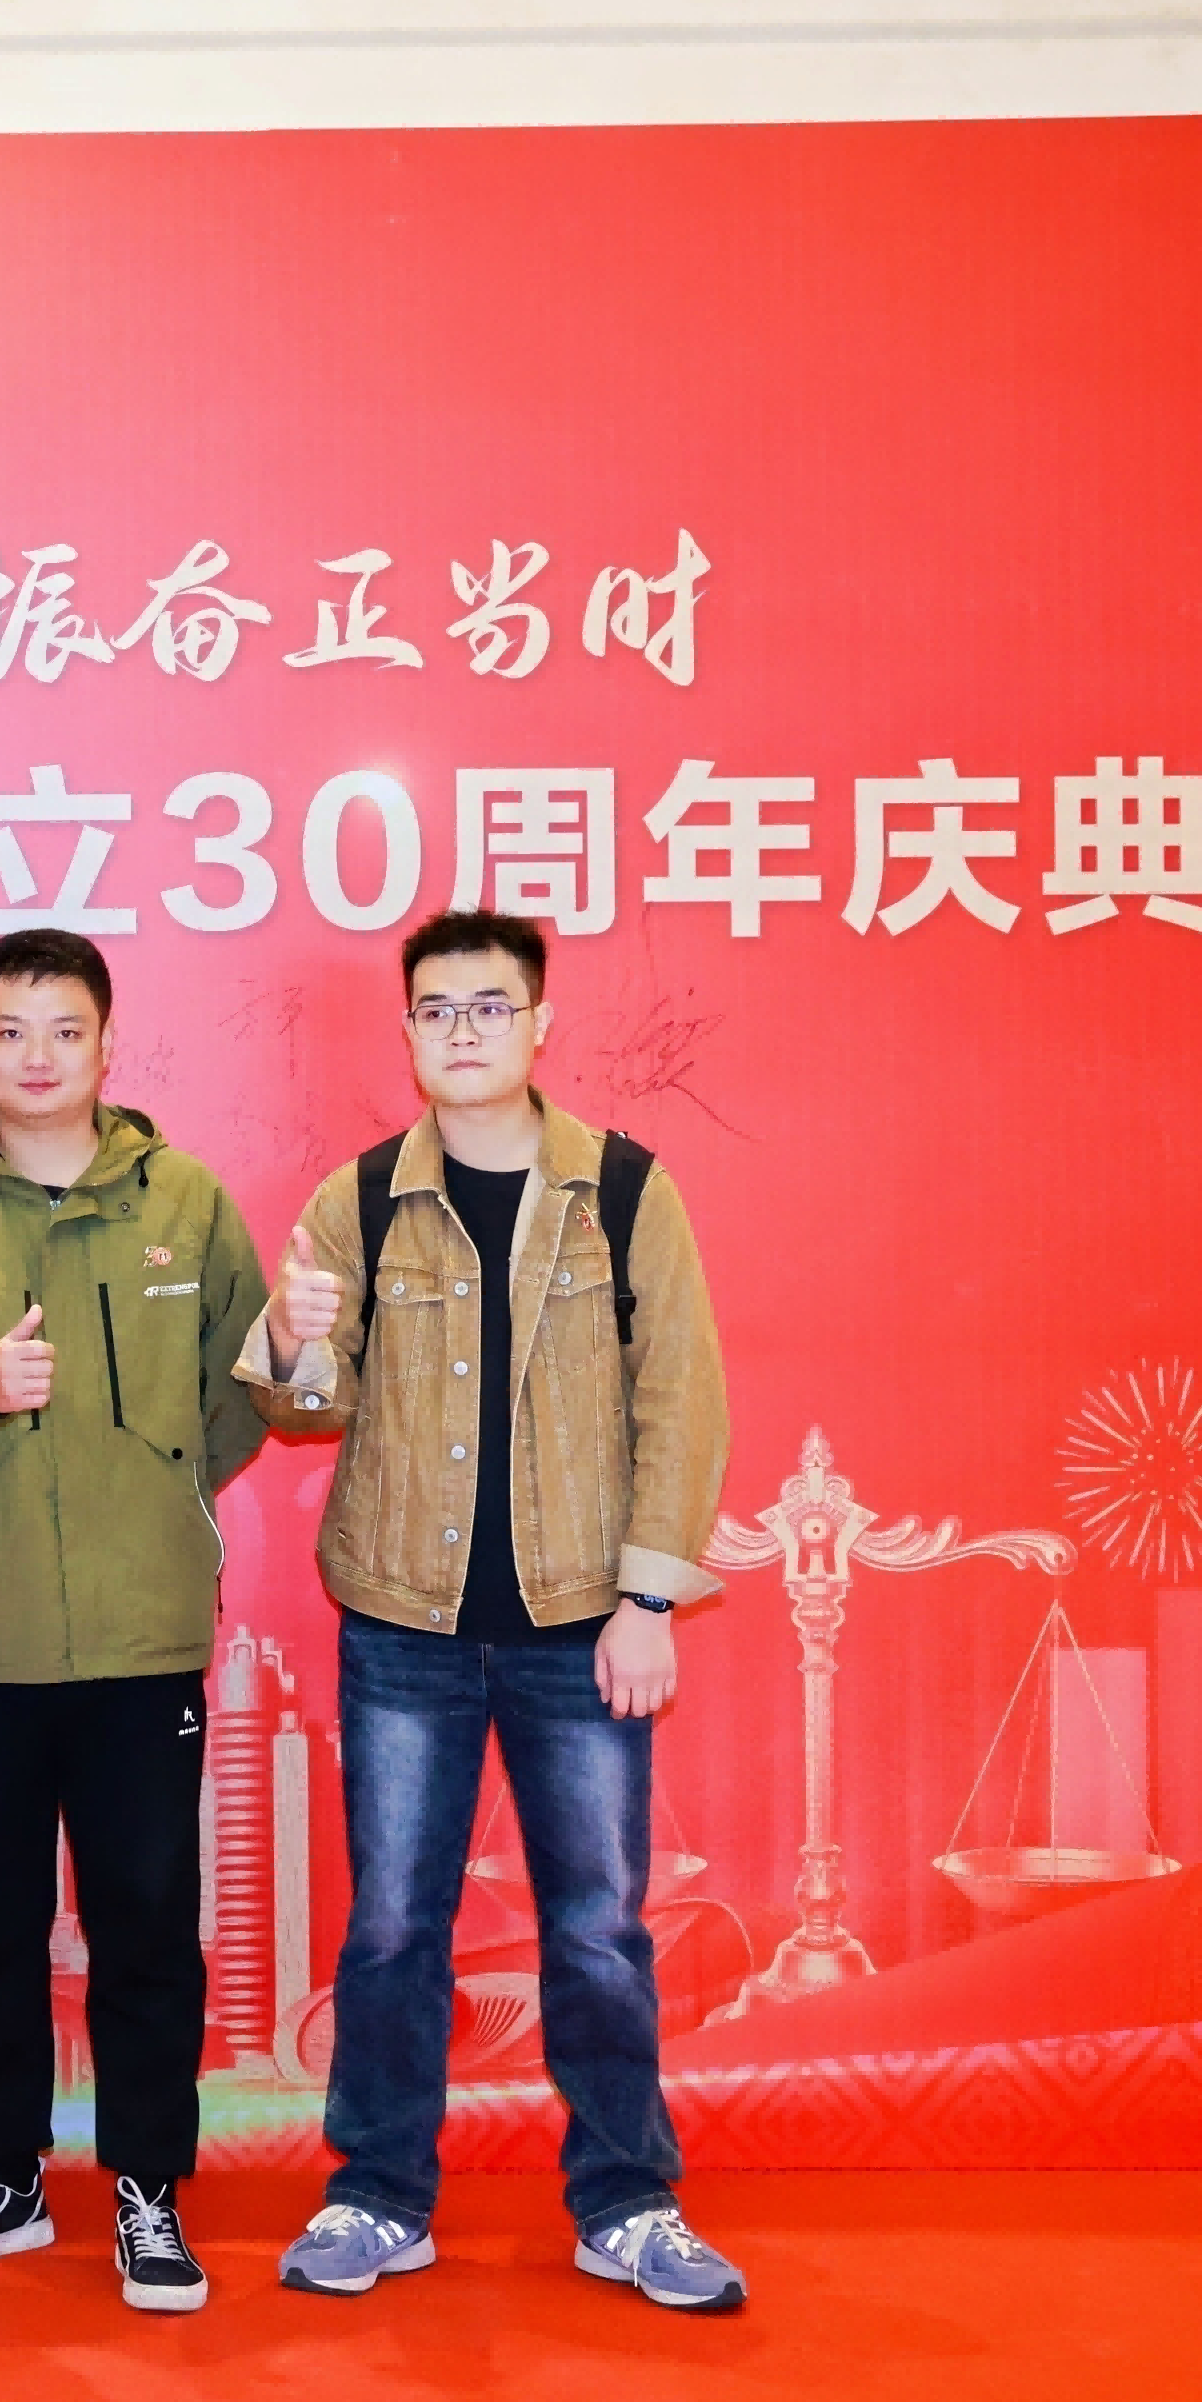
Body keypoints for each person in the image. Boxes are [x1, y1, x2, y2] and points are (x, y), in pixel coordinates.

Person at [243, 907, 748, 2312]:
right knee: (393, 1928)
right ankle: (378, 2195)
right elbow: (306, 1410)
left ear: (539, 1024)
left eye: (487, 1006)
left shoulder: (624, 1192)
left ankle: (626, 2203)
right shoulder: (357, 1199)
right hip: (401, 1627)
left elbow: (681, 1401)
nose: (460, 1031)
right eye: (434, 1010)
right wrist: (289, 1339)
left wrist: (647, 1597)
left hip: (581, 1623)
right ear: (407, 1032)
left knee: (596, 1930)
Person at [0, 928, 273, 2315]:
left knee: (147, 1920)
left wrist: (152, 1493)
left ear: (106, 1044)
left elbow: (242, 1391)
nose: (37, 1058)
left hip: (143, 1635)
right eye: (11, 1031)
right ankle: (6, 2177)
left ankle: (148, 2189)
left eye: (64, 1030)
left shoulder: (185, 1200)